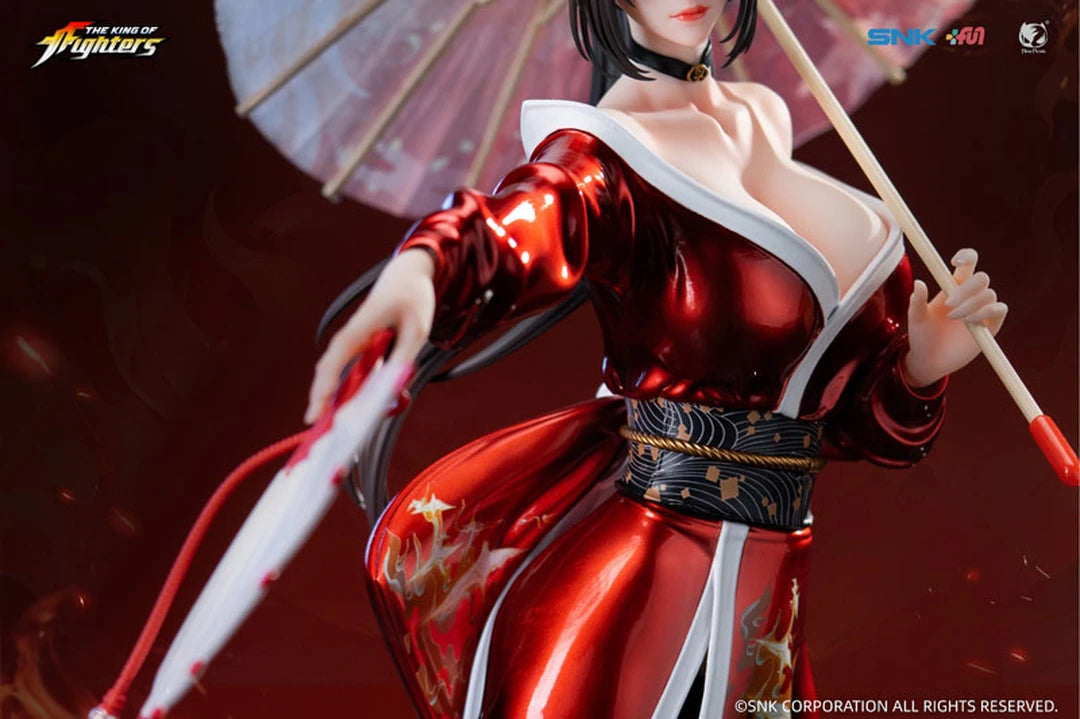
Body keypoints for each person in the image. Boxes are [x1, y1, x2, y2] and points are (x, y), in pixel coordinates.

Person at [306, 1, 1007, 717]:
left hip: (768, 605)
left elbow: (842, 425)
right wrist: (430, 267)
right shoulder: (601, 156)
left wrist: (920, 367)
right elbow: (523, 227)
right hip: (631, 593)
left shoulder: (761, 116)